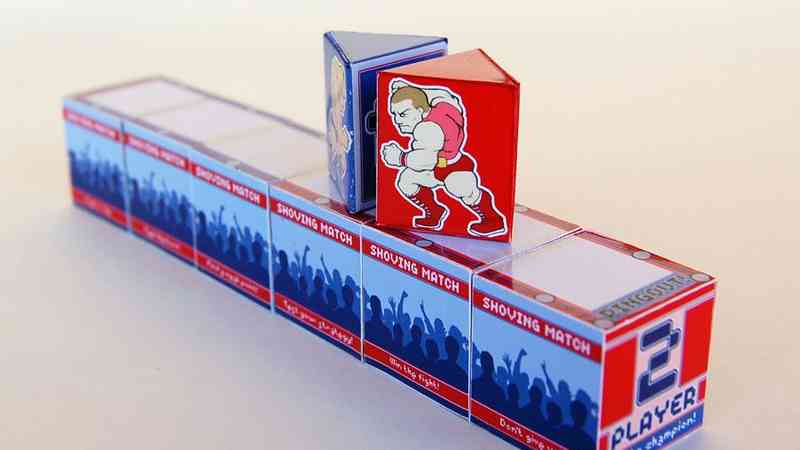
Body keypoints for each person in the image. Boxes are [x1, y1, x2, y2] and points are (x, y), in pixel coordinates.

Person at [380, 78, 507, 238]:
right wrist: (409, 89)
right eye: (394, 114)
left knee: (461, 188)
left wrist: (399, 157)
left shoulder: (427, 128)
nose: (397, 120)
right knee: (406, 180)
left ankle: (492, 219)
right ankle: (434, 212)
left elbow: (427, 159)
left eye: (403, 114)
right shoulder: (444, 107)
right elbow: (443, 95)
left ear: (420, 110)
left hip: (453, 167)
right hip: (436, 169)